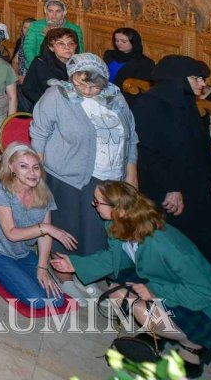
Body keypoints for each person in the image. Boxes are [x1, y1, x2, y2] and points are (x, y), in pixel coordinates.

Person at [51, 182, 211, 374]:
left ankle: (193, 344)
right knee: (117, 294)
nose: (93, 204)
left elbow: (203, 292)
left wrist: (155, 292)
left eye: (97, 202)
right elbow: (113, 259)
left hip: (204, 305)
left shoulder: (164, 244)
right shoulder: (117, 224)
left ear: (119, 210)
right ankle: (159, 333)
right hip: (163, 282)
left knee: (142, 311)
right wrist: (75, 265)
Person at [31, 53, 138, 300]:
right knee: (68, 227)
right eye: (81, 84)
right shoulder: (58, 95)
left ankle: (86, 273)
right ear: (72, 77)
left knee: (97, 232)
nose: (88, 90)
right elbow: (39, 133)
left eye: (94, 85)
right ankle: (65, 277)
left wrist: (131, 172)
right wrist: (37, 171)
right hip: (69, 175)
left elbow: (132, 137)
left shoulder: (116, 97)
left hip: (112, 176)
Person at [129, 55, 211, 270]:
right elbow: (148, 154)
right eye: (196, 79)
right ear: (177, 79)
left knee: (203, 239)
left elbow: (201, 145)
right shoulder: (148, 105)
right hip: (166, 185)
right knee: (178, 243)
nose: (202, 84)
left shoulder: (186, 100)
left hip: (195, 183)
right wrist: (170, 188)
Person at [0, 144, 73, 310]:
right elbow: (12, 233)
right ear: (11, 167)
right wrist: (47, 228)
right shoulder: (0, 189)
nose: (32, 173)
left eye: (36, 167)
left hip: (23, 252)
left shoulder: (44, 193)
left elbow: (45, 236)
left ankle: (12, 272)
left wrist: (42, 268)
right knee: (38, 301)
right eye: (24, 166)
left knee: (57, 300)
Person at [22, 27, 78, 108]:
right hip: (45, 106)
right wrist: (46, 103)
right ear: (51, 47)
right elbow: (28, 89)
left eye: (71, 43)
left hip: (74, 106)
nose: (67, 47)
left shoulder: (80, 65)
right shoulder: (40, 63)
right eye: (61, 43)